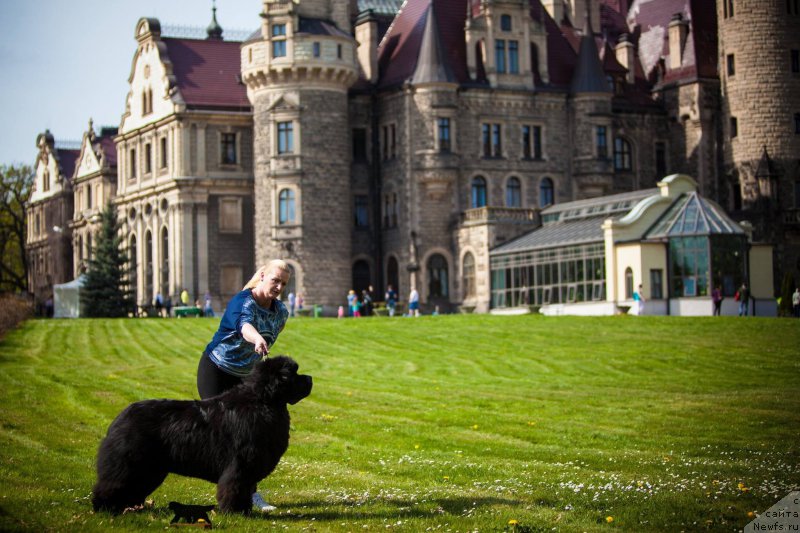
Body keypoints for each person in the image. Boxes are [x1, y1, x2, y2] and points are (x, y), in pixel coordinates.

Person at [196, 259, 292, 513]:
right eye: (275, 280)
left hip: (245, 377)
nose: (279, 286)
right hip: (216, 370)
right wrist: (257, 338)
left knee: (251, 437)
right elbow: (244, 326)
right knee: (223, 434)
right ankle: (231, 491)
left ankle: (249, 494)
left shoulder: (281, 313)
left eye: (283, 283)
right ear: (262, 276)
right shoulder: (242, 301)